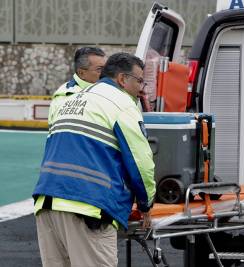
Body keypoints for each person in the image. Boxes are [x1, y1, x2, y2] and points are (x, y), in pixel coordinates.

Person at [33, 52, 156, 267]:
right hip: (88, 208)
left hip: (47, 202)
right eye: (139, 80)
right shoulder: (122, 104)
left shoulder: (72, 99)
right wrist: (146, 204)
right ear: (122, 79)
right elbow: (140, 162)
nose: (142, 88)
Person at [48, 47, 106, 123]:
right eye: (99, 69)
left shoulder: (105, 88)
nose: (106, 73)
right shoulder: (63, 97)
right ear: (81, 73)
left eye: (106, 68)